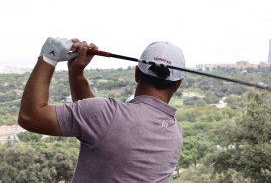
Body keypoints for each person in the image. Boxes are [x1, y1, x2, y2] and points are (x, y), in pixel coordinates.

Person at [18, 37, 185, 182]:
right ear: (178, 84)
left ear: (136, 73)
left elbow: (30, 116)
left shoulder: (105, 116)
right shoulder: (175, 133)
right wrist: (76, 74)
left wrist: (49, 56)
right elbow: (95, 121)